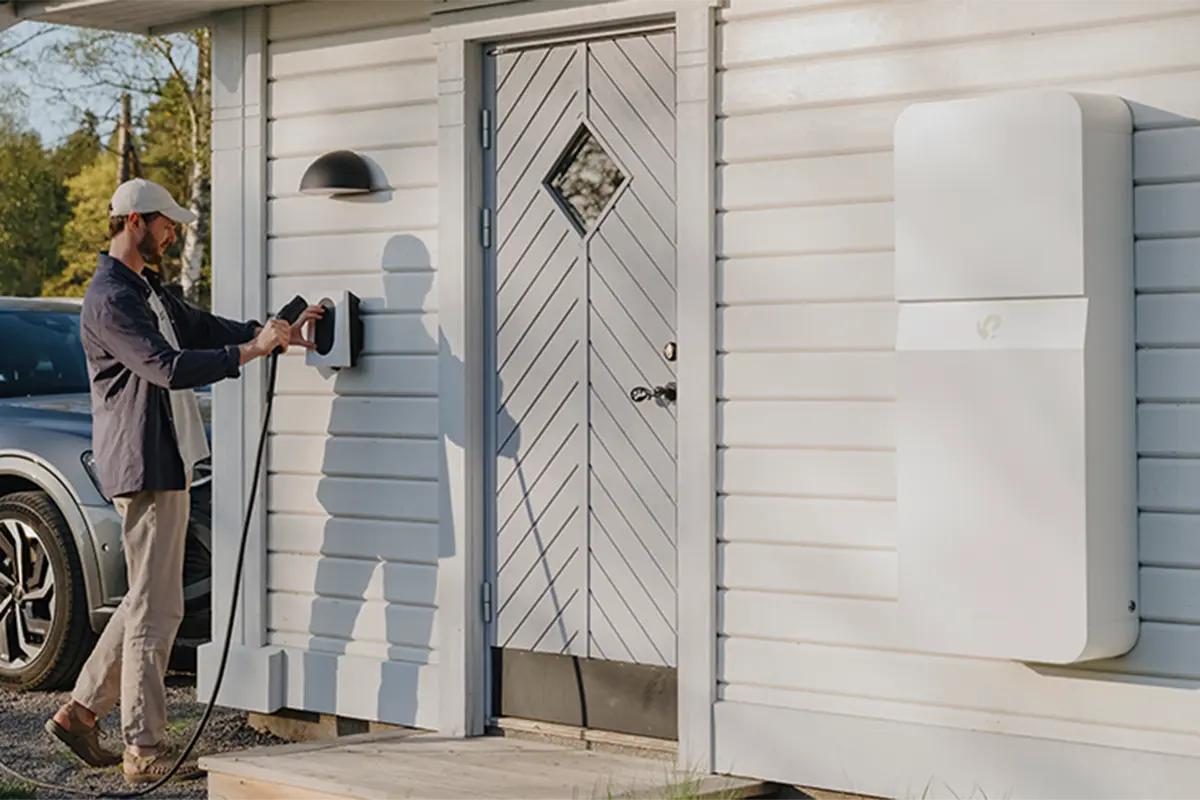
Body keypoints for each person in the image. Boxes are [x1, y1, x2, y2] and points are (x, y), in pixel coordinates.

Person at [44, 178, 322, 784]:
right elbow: (166, 369)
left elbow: (199, 328)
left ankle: (80, 712)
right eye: (167, 223)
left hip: (163, 460)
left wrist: (276, 332)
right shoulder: (110, 298)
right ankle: (142, 751)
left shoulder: (146, 290)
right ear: (136, 220)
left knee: (151, 600)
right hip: (144, 465)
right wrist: (251, 351)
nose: (174, 232)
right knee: (155, 609)